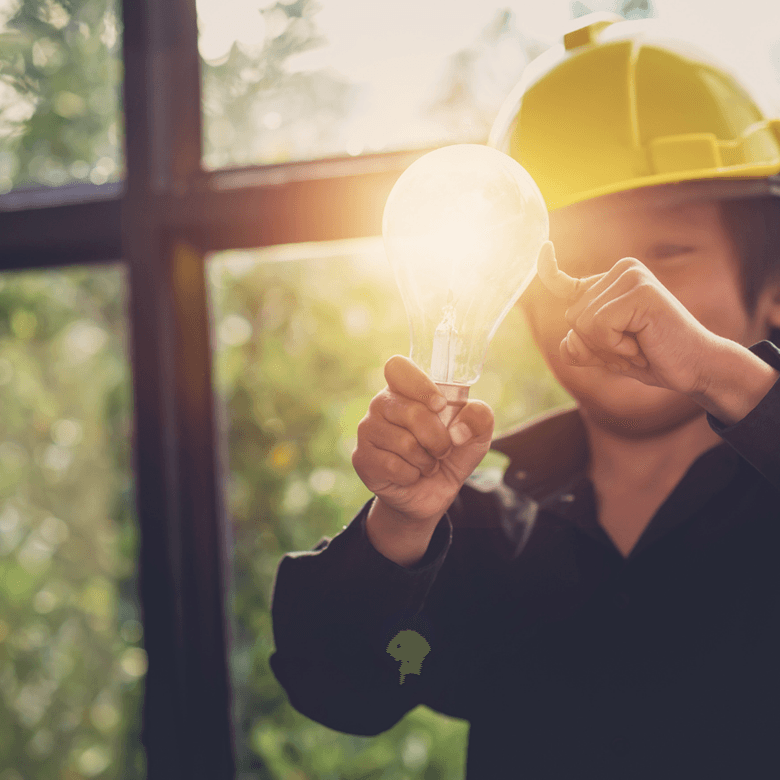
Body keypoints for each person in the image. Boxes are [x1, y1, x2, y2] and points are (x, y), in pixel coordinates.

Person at [269, 13, 780, 778]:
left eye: (665, 254)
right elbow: (341, 687)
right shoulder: (474, 531)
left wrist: (721, 373)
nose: (622, 291)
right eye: (577, 259)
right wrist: (399, 528)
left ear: (773, 284)